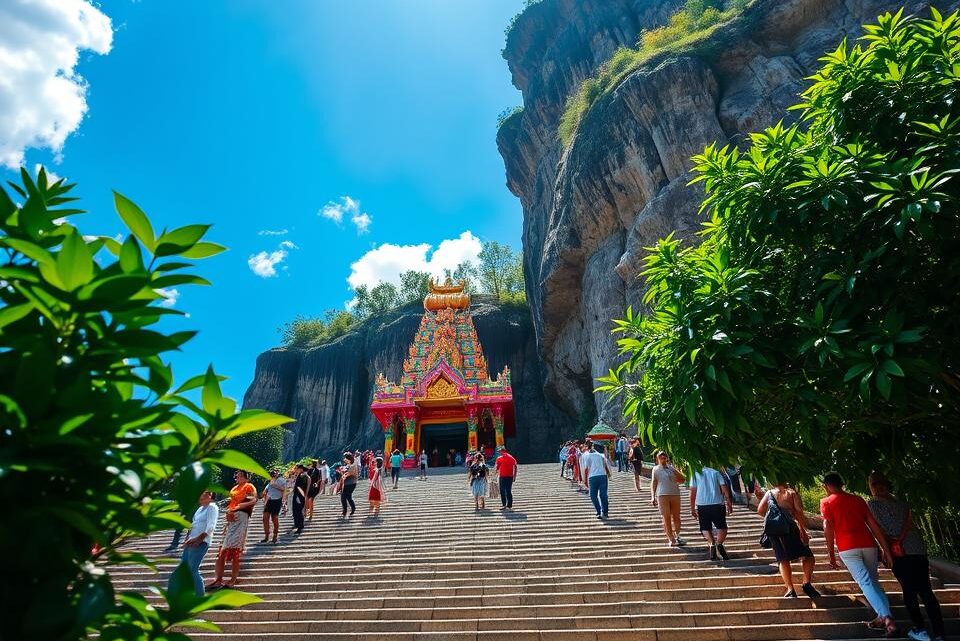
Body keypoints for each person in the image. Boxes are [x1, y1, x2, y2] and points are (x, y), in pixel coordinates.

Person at [867, 471, 945, 641]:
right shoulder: (902, 503)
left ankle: (920, 629)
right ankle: (939, 633)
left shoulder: (873, 503)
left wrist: (885, 551)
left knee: (909, 591)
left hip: (900, 552)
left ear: (872, 486)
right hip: (917, 549)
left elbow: (882, 529)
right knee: (926, 591)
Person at [820, 471, 897, 637]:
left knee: (864, 581)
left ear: (826, 486)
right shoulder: (857, 499)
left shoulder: (826, 502)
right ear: (842, 483)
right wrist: (886, 549)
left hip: (847, 547)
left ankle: (887, 619)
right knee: (873, 581)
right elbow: (874, 526)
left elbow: (828, 529)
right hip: (868, 545)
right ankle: (881, 616)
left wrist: (830, 554)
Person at [757, 482, 819, 598]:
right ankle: (806, 583)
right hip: (790, 528)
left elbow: (760, 510)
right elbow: (798, 512)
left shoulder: (769, 493)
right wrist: (803, 530)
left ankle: (790, 589)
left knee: (783, 559)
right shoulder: (791, 493)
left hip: (775, 531)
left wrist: (775, 515)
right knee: (808, 556)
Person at [207, 469, 257, 589]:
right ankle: (218, 579)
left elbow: (253, 500)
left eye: (239, 475)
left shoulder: (248, 486)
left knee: (235, 550)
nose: (237, 477)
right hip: (231, 518)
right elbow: (232, 501)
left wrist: (239, 507)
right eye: (237, 475)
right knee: (222, 550)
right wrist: (229, 511)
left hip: (241, 517)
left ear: (246, 477)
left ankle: (233, 579)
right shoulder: (234, 488)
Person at [168, 490, 218, 596]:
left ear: (210, 496)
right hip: (191, 542)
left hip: (201, 543)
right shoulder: (200, 509)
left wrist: (199, 539)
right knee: (183, 568)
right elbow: (193, 526)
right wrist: (187, 540)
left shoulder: (212, 507)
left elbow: (210, 527)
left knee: (193, 569)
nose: (201, 496)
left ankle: (200, 596)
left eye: (204, 494)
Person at [689, 466, 733, 560]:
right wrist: (729, 502)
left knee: (705, 527)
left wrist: (692, 508)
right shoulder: (716, 472)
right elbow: (724, 487)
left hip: (702, 504)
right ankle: (719, 544)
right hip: (717, 503)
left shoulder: (695, 473)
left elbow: (693, 491)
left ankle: (712, 544)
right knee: (722, 527)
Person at [650, 451, 685, 546]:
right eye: (661, 456)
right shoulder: (655, 469)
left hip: (675, 494)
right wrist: (653, 496)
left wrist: (675, 474)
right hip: (662, 495)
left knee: (676, 517)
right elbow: (654, 482)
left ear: (667, 457)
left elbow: (683, 479)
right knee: (666, 517)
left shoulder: (671, 468)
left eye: (664, 455)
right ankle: (671, 538)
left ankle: (677, 535)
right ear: (657, 458)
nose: (663, 457)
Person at [581, 443, 612, 520]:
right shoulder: (601, 455)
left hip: (593, 477)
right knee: (603, 495)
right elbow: (605, 466)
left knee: (593, 496)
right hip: (603, 476)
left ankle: (599, 511)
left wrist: (584, 480)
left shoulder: (587, 456)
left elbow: (586, 469)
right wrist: (609, 475)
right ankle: (605, 512)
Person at [260, 468, 285, 544]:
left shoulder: (282, 481)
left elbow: (284, 489)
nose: (274, 474)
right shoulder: (269, 482)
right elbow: (265, 491)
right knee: (265, 518)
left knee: (274, 518)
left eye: (276, 472)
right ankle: (266, 536)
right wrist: (264, 494)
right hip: (269, 501)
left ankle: (275, 535)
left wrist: (275, 485)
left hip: (277, 501)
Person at [339, 452, 359, 518]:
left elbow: (349, 474)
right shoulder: (349, 465)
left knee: (344, 497)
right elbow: (346, 473)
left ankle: (345, 511)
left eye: (345, 458)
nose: (344, 459)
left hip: (351, 483)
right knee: (348, 497)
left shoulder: (352, 465)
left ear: (348, 459)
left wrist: (343, 474)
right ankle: (352, 509)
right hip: (348, 483)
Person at [291, 463, 308, 534]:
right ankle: (297, 524)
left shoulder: (303, 475)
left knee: (298, 511)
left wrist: (299, 496)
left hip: (299, 495)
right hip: (297, 494)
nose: (295, 469)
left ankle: (300, 526)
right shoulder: (300, 475)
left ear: (300, 469)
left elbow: (302, 486)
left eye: (296, 468)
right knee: (295, 510)